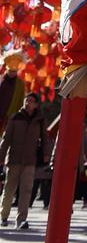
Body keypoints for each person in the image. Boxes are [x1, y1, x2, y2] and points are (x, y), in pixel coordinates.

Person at [0, 92, 46, 230]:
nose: (28, 103)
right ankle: (4, 216)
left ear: (36, 105)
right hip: (14, 159)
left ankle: (21, 220)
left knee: (26, 191)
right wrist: (1, 158)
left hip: (30, 161)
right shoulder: (15, 118)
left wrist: (46, 155)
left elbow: (45, 139)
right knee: (9, 189)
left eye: (31, 101)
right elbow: (6, 139)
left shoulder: (40, 120)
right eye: (26, 100)